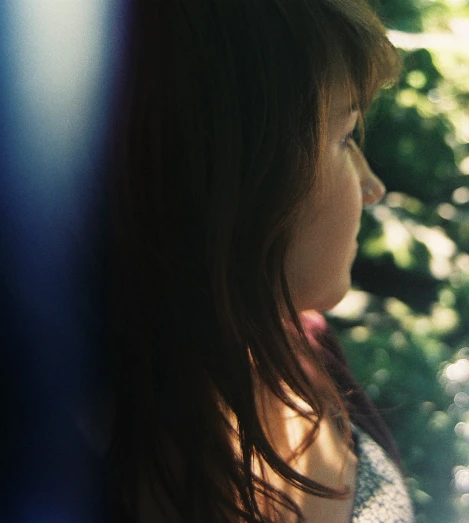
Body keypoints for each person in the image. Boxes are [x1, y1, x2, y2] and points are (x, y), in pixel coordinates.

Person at [105, 0, 410, 521]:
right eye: (343, 138)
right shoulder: (86, 472)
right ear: (239, 185)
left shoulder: (302, 342)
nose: (372, 187)